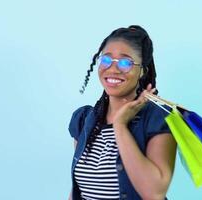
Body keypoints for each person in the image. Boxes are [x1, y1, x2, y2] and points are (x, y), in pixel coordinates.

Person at [68, 25, 177, 200]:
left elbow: (154, 193)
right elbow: (77, 191)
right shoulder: (84, 120)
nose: (113, 69)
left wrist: (120, 126)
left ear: (142, 71)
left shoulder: (157, 119)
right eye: (106, 60)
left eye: (125, 62)